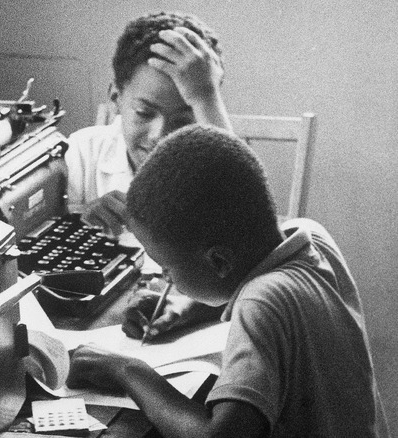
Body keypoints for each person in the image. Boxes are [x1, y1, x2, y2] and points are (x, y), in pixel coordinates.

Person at [66, 124, 388, 437]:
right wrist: (188, 308)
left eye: (167, 268)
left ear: (219, 261)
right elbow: (277, 303)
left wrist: (128, 370)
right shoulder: (312, 238)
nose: (165, 279)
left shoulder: (259, 305)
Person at [64, 11, 231, 237]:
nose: (159, 135)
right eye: (144, 113)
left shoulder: (216, 166)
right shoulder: (83, 153)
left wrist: (206, 97)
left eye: (183, 121)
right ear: (115, 98)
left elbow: (242, 216)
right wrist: (80, 220)